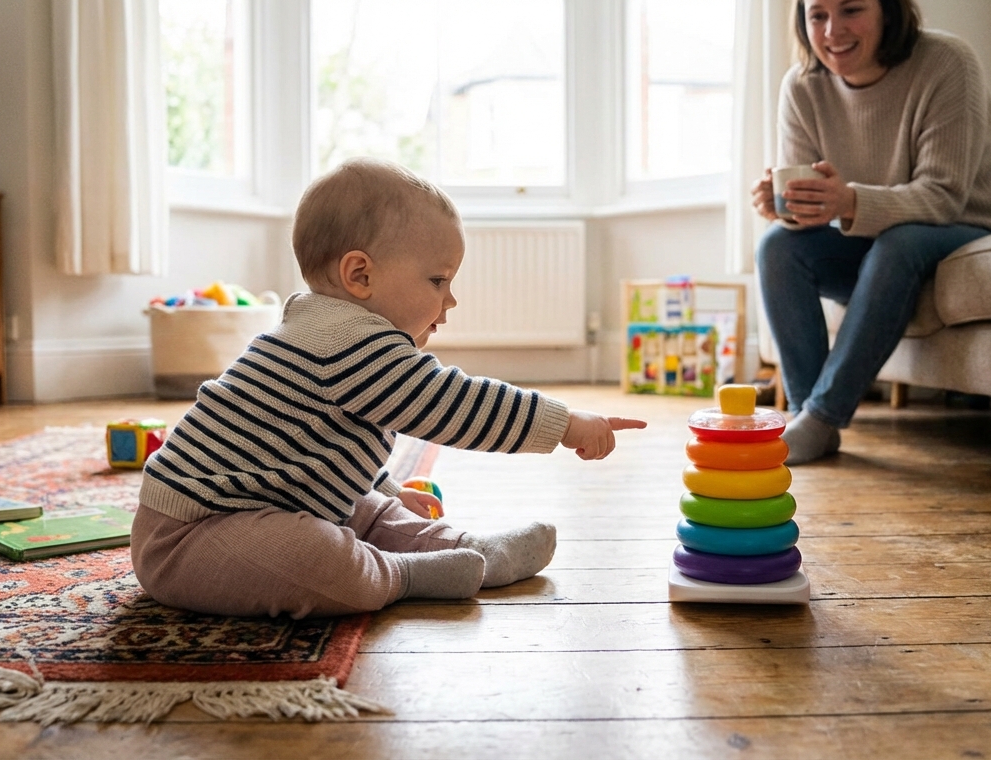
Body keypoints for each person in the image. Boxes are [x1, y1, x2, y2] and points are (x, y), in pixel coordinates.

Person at [131, 158, 647, 619]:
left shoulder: (334, 335)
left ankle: (471, 550)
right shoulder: (346, 343)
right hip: (189, 538)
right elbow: (452, 403)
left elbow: (323, 443)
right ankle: (409, 576)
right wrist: (564, 424)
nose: (451, 300)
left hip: (269, 501)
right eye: (438, 281)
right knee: (317, 554)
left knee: (369, 507)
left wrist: (386, 488)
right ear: (360, 276)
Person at [751, 0, 991, 464]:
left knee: (900, 242)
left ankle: (823, 415)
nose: (832, 31)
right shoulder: (801, 86)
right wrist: (786, 208)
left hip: (969, 226)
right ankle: (804, 414)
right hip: (876, 239)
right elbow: (810, 206)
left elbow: (943, 195)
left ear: (888, 11)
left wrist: (850, 200)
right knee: (777, 246)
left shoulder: (947, 62)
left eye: (851, 9)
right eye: (817, 15)